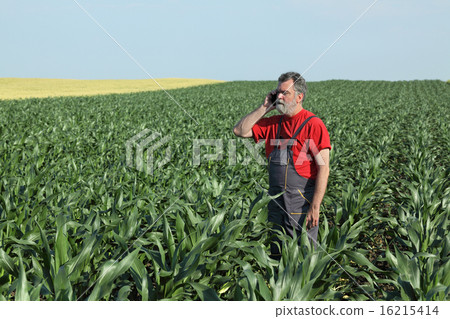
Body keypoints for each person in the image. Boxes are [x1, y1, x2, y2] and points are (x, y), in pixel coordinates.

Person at [233, 72, 331, 259]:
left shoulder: (313, 124)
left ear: (299, 96)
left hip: (302, 204)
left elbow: (324, 169)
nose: (279, 97)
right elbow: (240, 130)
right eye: (277, 92)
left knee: (304, 258)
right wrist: (264, 107)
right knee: (278, 255)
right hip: (276, 203)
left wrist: (315, 207)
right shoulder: (273, 124)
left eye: (284, 93)